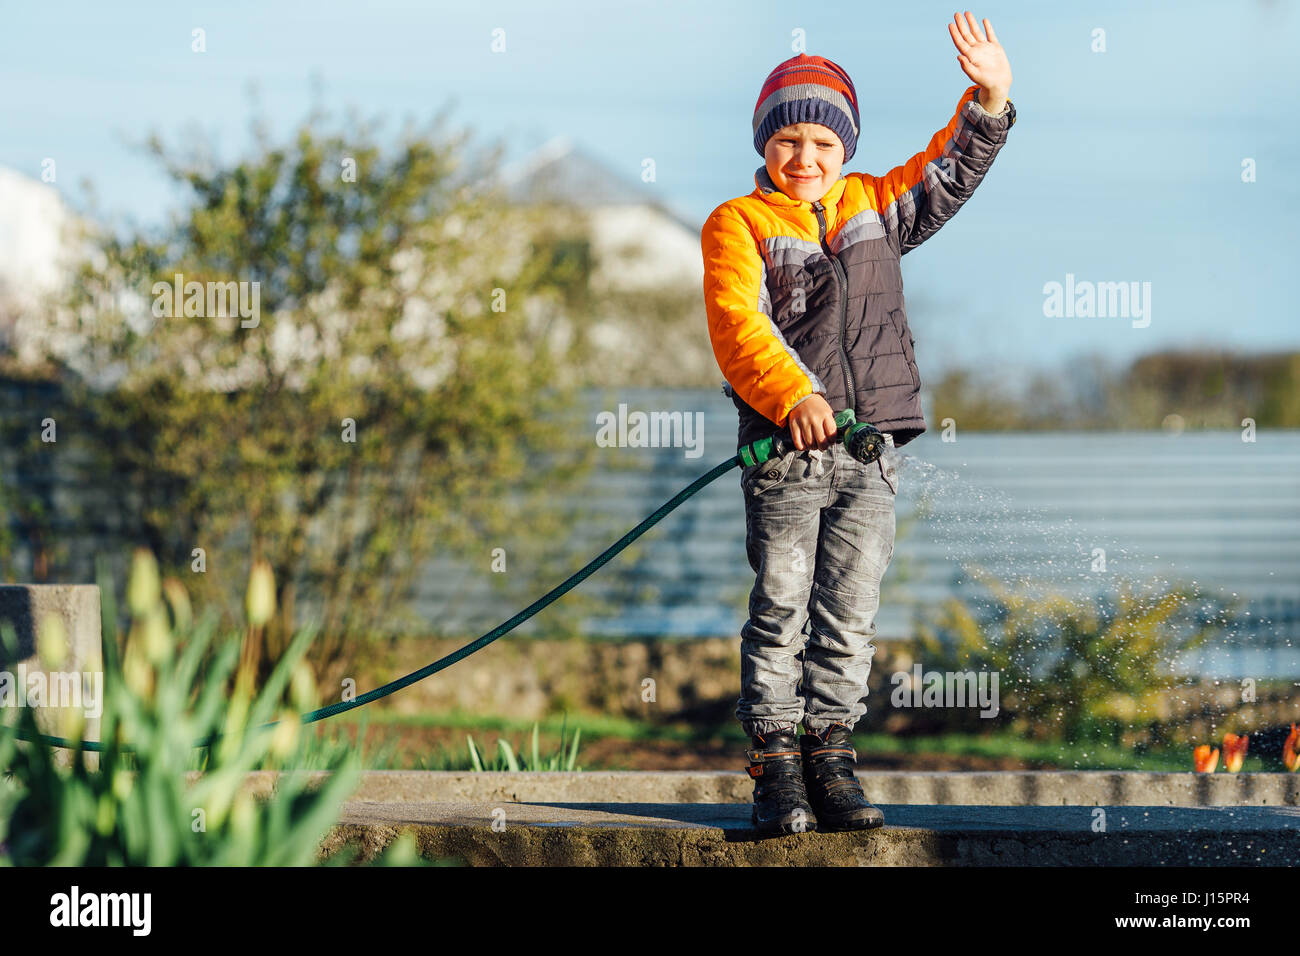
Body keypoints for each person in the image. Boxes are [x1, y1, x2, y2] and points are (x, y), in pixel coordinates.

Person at [699, 12, 1015, 835]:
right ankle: (777, 773)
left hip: (871, 454)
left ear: (847, 150)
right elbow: (740, 322)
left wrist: (989, 96)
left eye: (824, 145)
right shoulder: (740, 223)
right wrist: (792, 394)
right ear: (765, 145)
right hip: (787, 456)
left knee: (851, 615)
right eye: (788, 142)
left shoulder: (878, 207)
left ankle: (832, 762)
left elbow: (948, 173)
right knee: (780, 606)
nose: (804, 159)